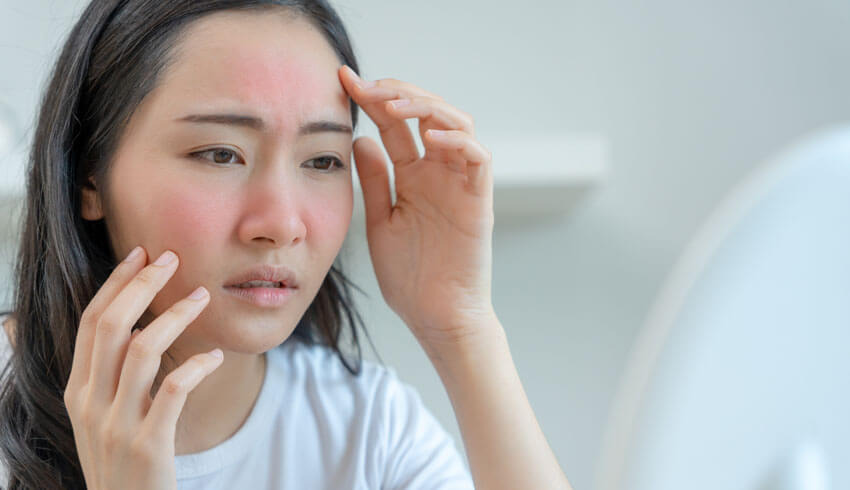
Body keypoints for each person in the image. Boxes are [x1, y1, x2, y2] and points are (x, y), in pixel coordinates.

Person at [0, 1, 572, 489]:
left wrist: (460, 328)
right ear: (87, 176)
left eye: (322, 160)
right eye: (220, 154)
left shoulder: (368, 431)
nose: (281, 224)